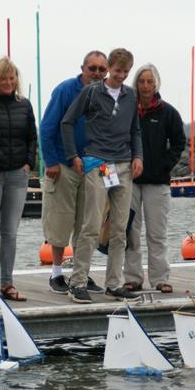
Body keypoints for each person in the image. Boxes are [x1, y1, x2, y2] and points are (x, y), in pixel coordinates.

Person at [60, 48, 143, 303]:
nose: (120, 76)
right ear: (109, 68)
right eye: (117, 71)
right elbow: (67, 122)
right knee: (92, 225)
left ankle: (114, 283)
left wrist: (138, 156)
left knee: (120, 227)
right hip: (97, 163)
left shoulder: (130, 97)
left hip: (123, 166)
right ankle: (78, 282)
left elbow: (135, 130)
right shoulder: (91, 92)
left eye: (125, 72)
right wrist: (73, 155)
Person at [39, 51, 108, 295]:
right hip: (64, 166)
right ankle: (56, 273)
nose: (97, 73)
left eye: (102, 69)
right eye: (93, 68)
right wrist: (51, 161)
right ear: (82, 68)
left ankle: (81, 274)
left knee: (86, 224)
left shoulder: (107, 95)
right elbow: (47, 127)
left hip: (92, 168)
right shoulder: (65, 91)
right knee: (60, 221)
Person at [122, 64, 186, 294]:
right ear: (136, 84)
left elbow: (179, 142)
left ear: (156, 83)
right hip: (130, 181)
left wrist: (164, 164)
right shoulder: (127, 110)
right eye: (142, 81)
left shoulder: (167, 112)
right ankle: (132, 277)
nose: (146, 86)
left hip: (157, 182)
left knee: (157, 233)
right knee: (130, 232)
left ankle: (160, 278)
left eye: (150, 81)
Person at [0, 57, 37, 301]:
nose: (8, 82)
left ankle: (7, 283)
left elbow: (32, 137)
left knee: (10, 232)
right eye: (3, 78)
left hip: (17, 174)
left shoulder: (24, 105)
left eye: (12, 78)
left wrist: (28, 163)